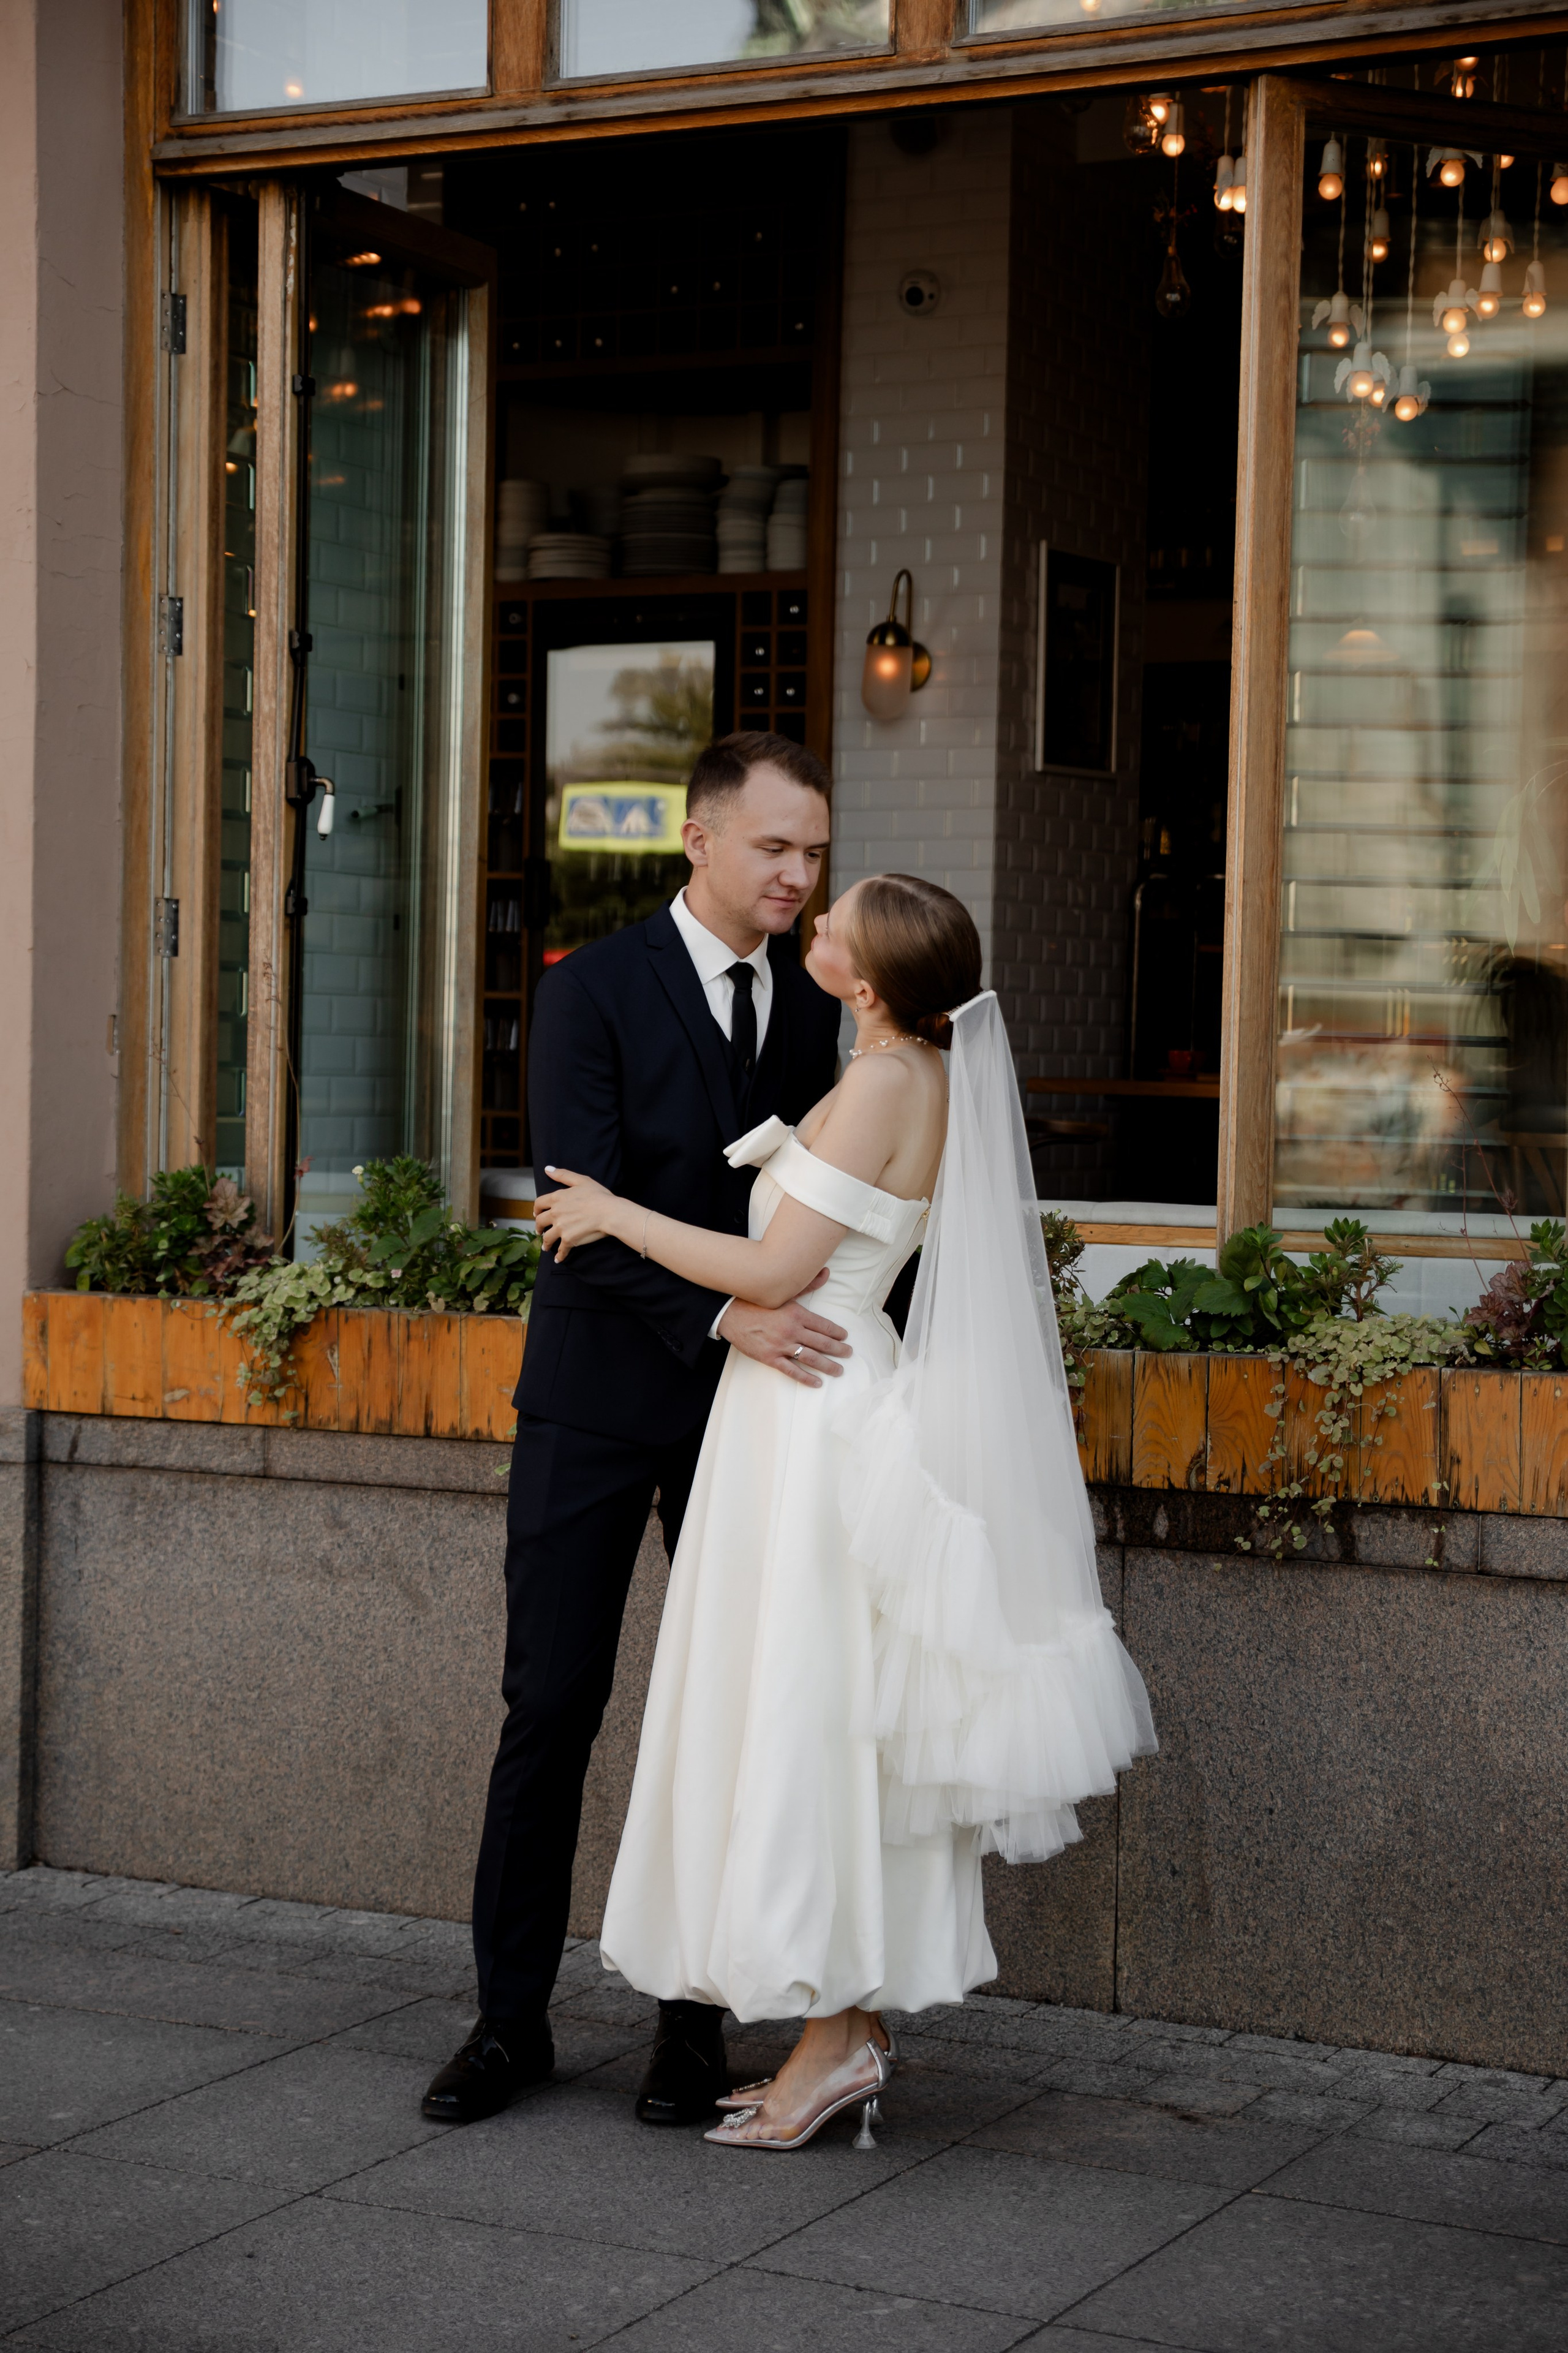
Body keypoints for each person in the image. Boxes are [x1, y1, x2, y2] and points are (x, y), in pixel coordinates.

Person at [533, 872, 1156, 2150]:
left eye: (832, 925)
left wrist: (609, 1214)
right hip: (811, 1399)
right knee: (826, 1711)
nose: (808, 922)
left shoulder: (883, 1082)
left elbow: (773, 1271)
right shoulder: (904, 1069)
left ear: (864, 981)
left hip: (811, 1413)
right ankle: (844, 2032)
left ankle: (829, 2041)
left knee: (808, 1711)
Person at [421, 733, 843, 2129]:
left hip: (749, 1419)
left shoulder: (807, 1011)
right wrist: (726, 1322)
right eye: (776, 846)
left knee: (718, 1719)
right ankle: (506, 2023)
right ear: (700, 839)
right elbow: (573, 1220)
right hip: (596, 1405)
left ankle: (689, 2029)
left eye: (813, 852)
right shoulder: (589, 988)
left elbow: (791, 1221)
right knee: (549, 1707)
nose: (799, 873)